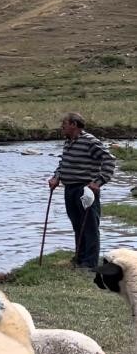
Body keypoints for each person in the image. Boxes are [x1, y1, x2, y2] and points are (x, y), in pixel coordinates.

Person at [48, 112, 116, 269]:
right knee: (77, 224)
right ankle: (79, 258)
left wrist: (98, 182)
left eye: (64, 123)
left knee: (90, 226)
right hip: (70, 188)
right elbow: (63, 163)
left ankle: (90, 263)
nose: (62, 126)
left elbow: (109, 160)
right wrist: (56, 177)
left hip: (85, 189)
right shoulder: (68, 142)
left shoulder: (90, 141)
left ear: (74, 124)